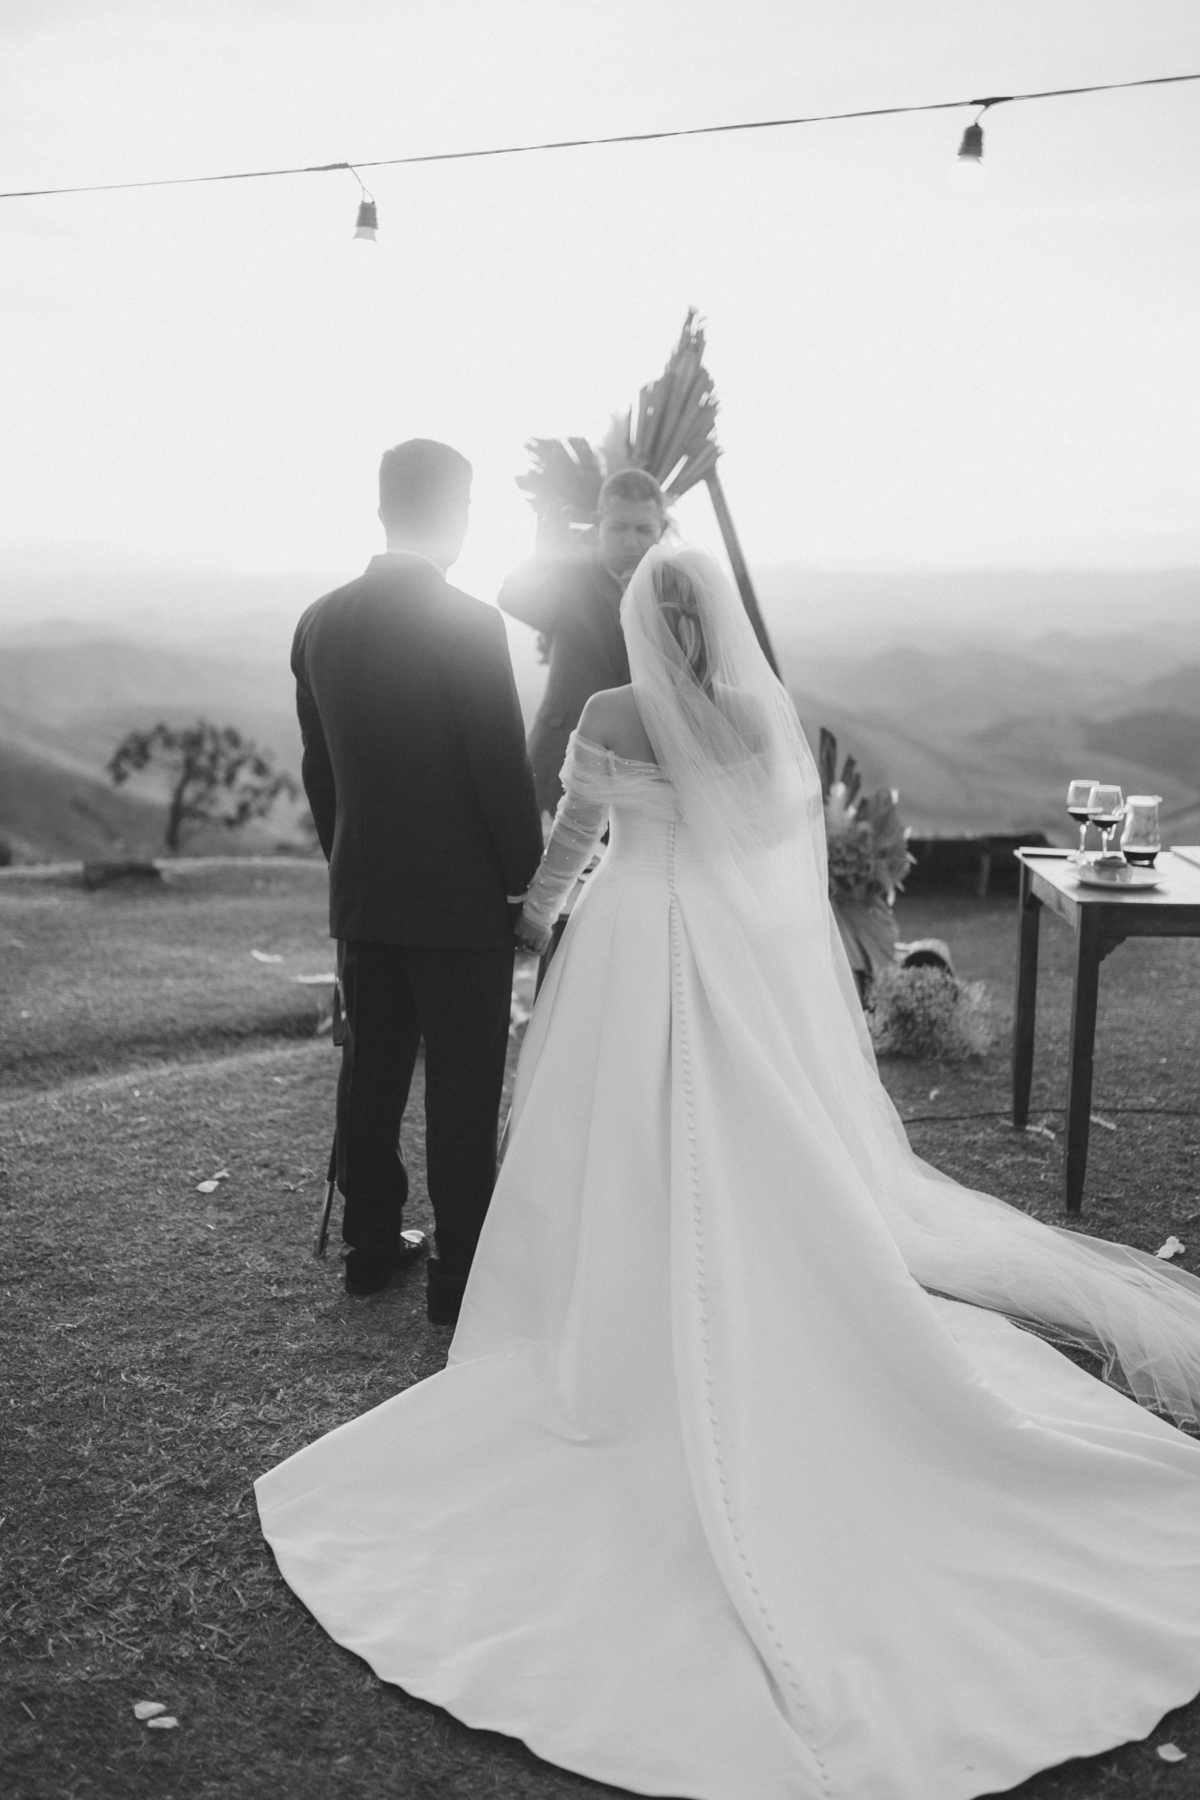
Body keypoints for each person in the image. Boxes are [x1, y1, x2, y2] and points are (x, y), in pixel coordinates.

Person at [261, 546, 1200, 1800]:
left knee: (612, 1138)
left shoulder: (606, 712)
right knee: (754, 1150)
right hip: (727, 959)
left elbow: (576, 842)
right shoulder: (761, 715)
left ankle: (604, 1314)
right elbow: (771, 852)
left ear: (638, 622)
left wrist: (532, 926)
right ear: (720, 623)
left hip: (624, 952)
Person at [291, 439, 542, 1323]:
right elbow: (499, 774)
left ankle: (367, 1250)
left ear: (386, 508)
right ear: (457, 517)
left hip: (365, 895)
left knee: (372, 1074)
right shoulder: (469, 624)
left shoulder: (317, 621)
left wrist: (352, 865)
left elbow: (323, 776)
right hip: (464, 905)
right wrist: (526, 889)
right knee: (462, 1088)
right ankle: (456, 1276)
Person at [498, 466, 666, 818]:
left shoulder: (676, 588)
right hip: (558, 757)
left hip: (646, 771)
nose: (631, 541)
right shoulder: (569, 575)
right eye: (618, 527)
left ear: (661, 529)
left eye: (643, 529)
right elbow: (514, 599)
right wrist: (543, 556)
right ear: (598, 523)